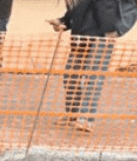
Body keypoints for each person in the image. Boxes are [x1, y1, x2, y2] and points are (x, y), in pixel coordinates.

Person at [47, 0, 127, 133]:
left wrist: (110, 31)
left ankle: (86, 119)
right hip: (81, 37)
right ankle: (73, 115)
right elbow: (78, 13)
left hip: (101, 38)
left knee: (93, 79)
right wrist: (63, 22)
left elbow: (107, 9)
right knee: (70, 75)